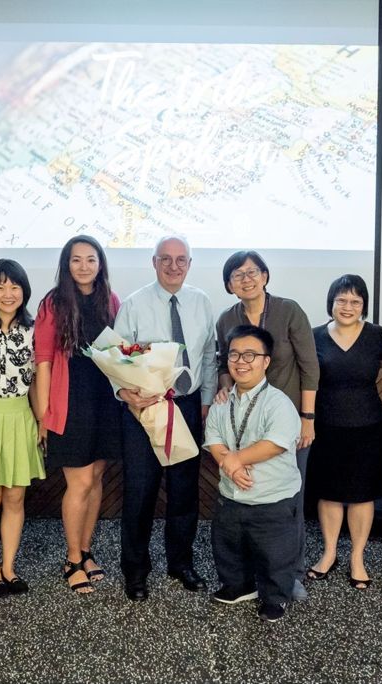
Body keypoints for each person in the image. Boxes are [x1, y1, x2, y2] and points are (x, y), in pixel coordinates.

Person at [114, 235, 217, 601]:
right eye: (166, 259)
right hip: (145, 410)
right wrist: (124, 393)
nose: (174, 266)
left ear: (190, 264)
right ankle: (136, 570)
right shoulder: (134, 304)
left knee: (184, 492)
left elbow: (208, 356)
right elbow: (117, 358)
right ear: (153, 262)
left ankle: (181, 563)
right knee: (140, 492)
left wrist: (204, 403)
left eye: (181, 260)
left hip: (187, 406)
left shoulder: (202, 302)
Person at [214, 250, 318, 598]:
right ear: (229, 285)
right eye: (237, 275)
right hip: (241, 424)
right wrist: (225, 390)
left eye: (252, 272)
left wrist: (307, 418)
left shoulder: (289, 310)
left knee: (290, 500)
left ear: (265, 276)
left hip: (285, 422)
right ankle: (249, 575)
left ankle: (292, 574)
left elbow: (310, 366)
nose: (246, 279)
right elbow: (222, 364)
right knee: (246, 500)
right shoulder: (226, 319)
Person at [34, 236, 121, 594]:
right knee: (79, 482)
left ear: (100, 264)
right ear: (66, 265)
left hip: (105, 400)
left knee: (96, 477)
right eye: (76, 260)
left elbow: (119, 352)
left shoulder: (110, 300)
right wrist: (43, 413)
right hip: (69, 401)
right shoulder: (53, 303)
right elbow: (42, 361)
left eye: (90, 259)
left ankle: (86, 551)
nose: (83, 266)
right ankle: (71, 559)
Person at [205, 325, 302, 623]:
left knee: (275, 553)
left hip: (271, 496)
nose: (241, 361)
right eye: (234, 354)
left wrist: (235, 459)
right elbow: (213, 440)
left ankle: (275, 597)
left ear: (266, 361)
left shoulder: (278, 402)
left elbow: (275, 443)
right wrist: (231, 465)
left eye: (250, 355)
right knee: (229, 544)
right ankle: (239, 585)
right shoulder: (223, 402)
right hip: (231, 492)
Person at [305, 275, 382, 589]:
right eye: (341, 300)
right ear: (331, 302)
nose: (348, 306)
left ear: (364, 306)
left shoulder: (376, 336)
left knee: (361, 495)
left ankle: (357, 557)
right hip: (325, 426)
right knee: (328, 493)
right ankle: (329, 554)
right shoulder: (313, 336)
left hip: (367, 427)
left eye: (356, 301)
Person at [0, 259, 45, 598]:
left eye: (15, 286)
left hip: (20, 416)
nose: (8, 293)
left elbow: (38, 380)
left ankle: (10, 567)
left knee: (15, 496)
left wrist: (42, 421)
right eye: (0, 286)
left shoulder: (35, 329)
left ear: (24, 291)